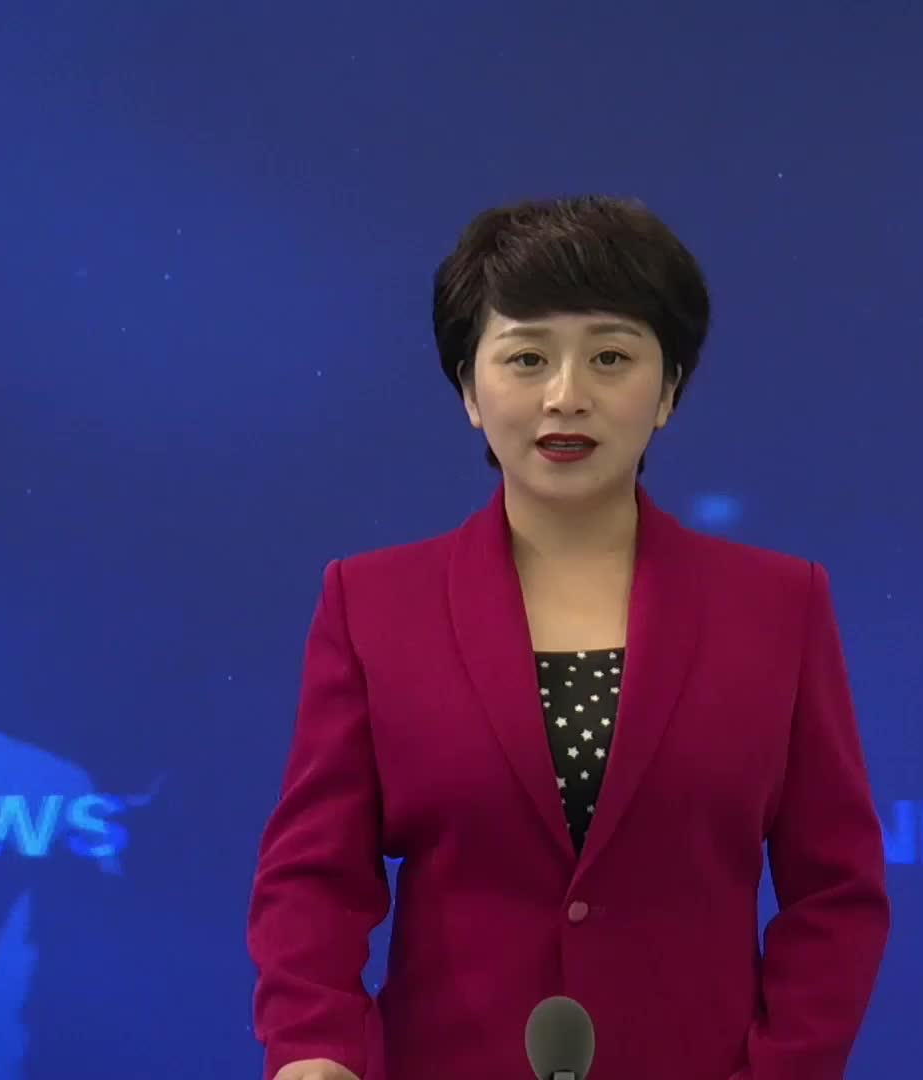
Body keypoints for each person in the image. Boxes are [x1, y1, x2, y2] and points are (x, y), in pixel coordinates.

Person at [247, 195, 890, 1079]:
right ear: (469, 390)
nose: (566, 396)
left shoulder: (780, 606)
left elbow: (837, 892)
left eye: (611, 357)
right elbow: (314, 875)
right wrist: (312, 1047)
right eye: (527, 358)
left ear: (668, 390)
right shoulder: (372, 603)